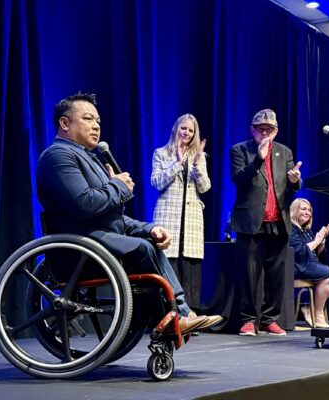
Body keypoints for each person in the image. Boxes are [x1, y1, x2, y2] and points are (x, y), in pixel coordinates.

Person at [36, 92, 221, 335]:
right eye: (88, 119)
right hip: (78, 246)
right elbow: (85, 204)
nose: (96, 126)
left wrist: (150, 228)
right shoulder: (58, 156)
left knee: (148, 241)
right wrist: (119, 185)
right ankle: (179, 314)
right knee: (144, 248)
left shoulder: (89, 158)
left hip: (98, 237)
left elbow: (111, 217)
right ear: (65, 123)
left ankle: (174, 316)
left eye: (98, 122)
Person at [229, 108, 302, 336]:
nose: (264, 133)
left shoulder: (284, 152)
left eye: (269, 129)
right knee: (249, 275)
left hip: (277, 221)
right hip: (251, 221)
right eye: (260, 129)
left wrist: (295, 181)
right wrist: (258, 160)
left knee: (276, 275)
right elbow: (239, 179)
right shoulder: (240, 149)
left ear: (276, 131)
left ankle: (269, 319)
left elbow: (291, 186)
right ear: (252, 130)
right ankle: (248, 320)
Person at [151, 114, 210, 315]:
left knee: (190, 266)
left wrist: (195, 165)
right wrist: (176, 162)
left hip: (191, 218)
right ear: (176, 129)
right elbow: (156, 182)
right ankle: (168, 313)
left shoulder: (199, 156)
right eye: (183, 128)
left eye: (191, 130)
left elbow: (205, 187)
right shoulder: (161, 153)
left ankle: (190, 314)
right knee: (169, 264)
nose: (186, 133)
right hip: (168, 217)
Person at [289, 198, 329, 328]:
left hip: (309, 265)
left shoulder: (307, 231)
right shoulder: (291, 229)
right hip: (298, 267)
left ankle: (309, 306)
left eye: (309, 210)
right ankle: (317, 314)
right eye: (303, 209)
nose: (307, 212)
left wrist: (321, 243)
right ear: (295, 210)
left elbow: (315, 255)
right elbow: (299, 253)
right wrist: (317, 241)